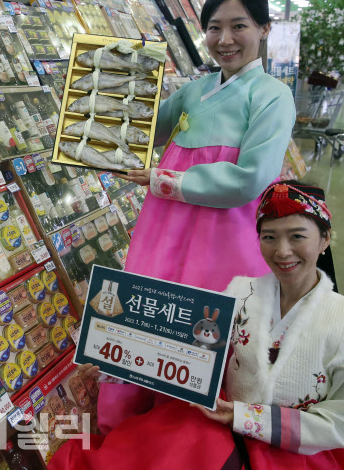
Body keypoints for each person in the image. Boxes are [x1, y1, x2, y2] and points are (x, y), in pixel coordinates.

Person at [49, 181, 344, 470]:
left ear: (325, 238)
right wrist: (115, 363)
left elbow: (339, 421)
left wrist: (244, 418)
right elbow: (184, 358)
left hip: (294, 451)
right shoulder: (241, 292)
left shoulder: (339, 319)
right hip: (217, 427)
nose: (282, 251)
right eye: (269, 237)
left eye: (297, 237)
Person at [121, 0, 295, 293]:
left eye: (238, 26)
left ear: (264, 29)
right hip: (164, 225)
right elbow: (142, 130)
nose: (225, 40)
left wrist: (167, 181)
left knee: (208, 318)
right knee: (154, 306)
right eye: (214, 28)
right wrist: (106, 86)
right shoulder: (194, 90)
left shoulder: (273, 96)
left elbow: (249, 179)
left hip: (224, 234)